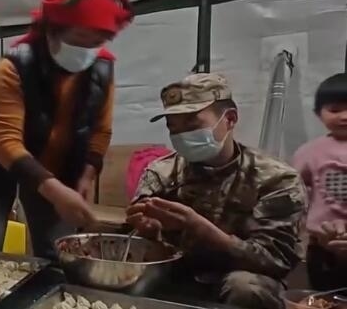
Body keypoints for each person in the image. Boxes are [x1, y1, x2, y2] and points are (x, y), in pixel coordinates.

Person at [0, 0, 133, 257]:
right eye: (80, 39)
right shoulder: (15, 66)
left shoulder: (102, 69)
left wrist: (84, 177)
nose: (88, 49)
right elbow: (6, 143)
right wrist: (55, 191)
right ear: (52, 32)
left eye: (97, 41)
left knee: (58, 251)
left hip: (56, 164)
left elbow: (101, 131)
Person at [127, 73, 307, 309]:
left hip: (240, 277)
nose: (182, 136)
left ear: (230, 119)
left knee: (246, 288)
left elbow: (276, 261)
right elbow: (130, 245)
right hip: (175, 274)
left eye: (192, 125)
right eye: (173, 128)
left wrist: (202, 229)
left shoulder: (276, 179)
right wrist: (148, 234)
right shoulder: (162, 172)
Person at [292, 73, 347, 289]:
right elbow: (293, 188)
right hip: (321, 242)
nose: (344, 116)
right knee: (323, 296)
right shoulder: (309, 151)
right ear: (318, 113)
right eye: (334, 110)